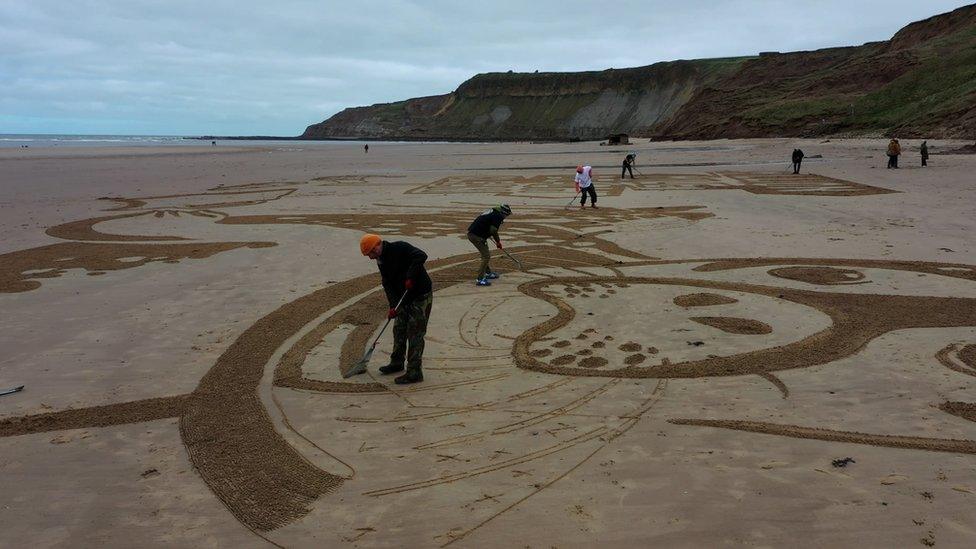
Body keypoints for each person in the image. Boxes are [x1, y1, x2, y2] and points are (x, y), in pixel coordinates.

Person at [360, 234, 433, 384]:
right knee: (399, 328)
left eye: (371, 254)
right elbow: (387, 283)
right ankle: (397, 362)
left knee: (415, 333)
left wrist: (410, 276)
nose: (370, 258)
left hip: (420, 295)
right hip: (403, 297)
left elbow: (421, 256)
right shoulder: (381, 260)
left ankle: (414, 372)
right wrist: (393, 305)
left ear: (377, 246)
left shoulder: (400, 247)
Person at [467, 204, 512, 286]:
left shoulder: (493, 212)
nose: (506, 217)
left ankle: (488, 273)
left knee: (485, 254)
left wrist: (487, 234)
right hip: (476, 237)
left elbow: (487, 224)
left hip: (476, 235)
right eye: (506, 215)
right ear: (503, 213)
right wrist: (498, 242)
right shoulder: (498, 216)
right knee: (486, 256)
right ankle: (480, 279)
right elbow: (493, 230)